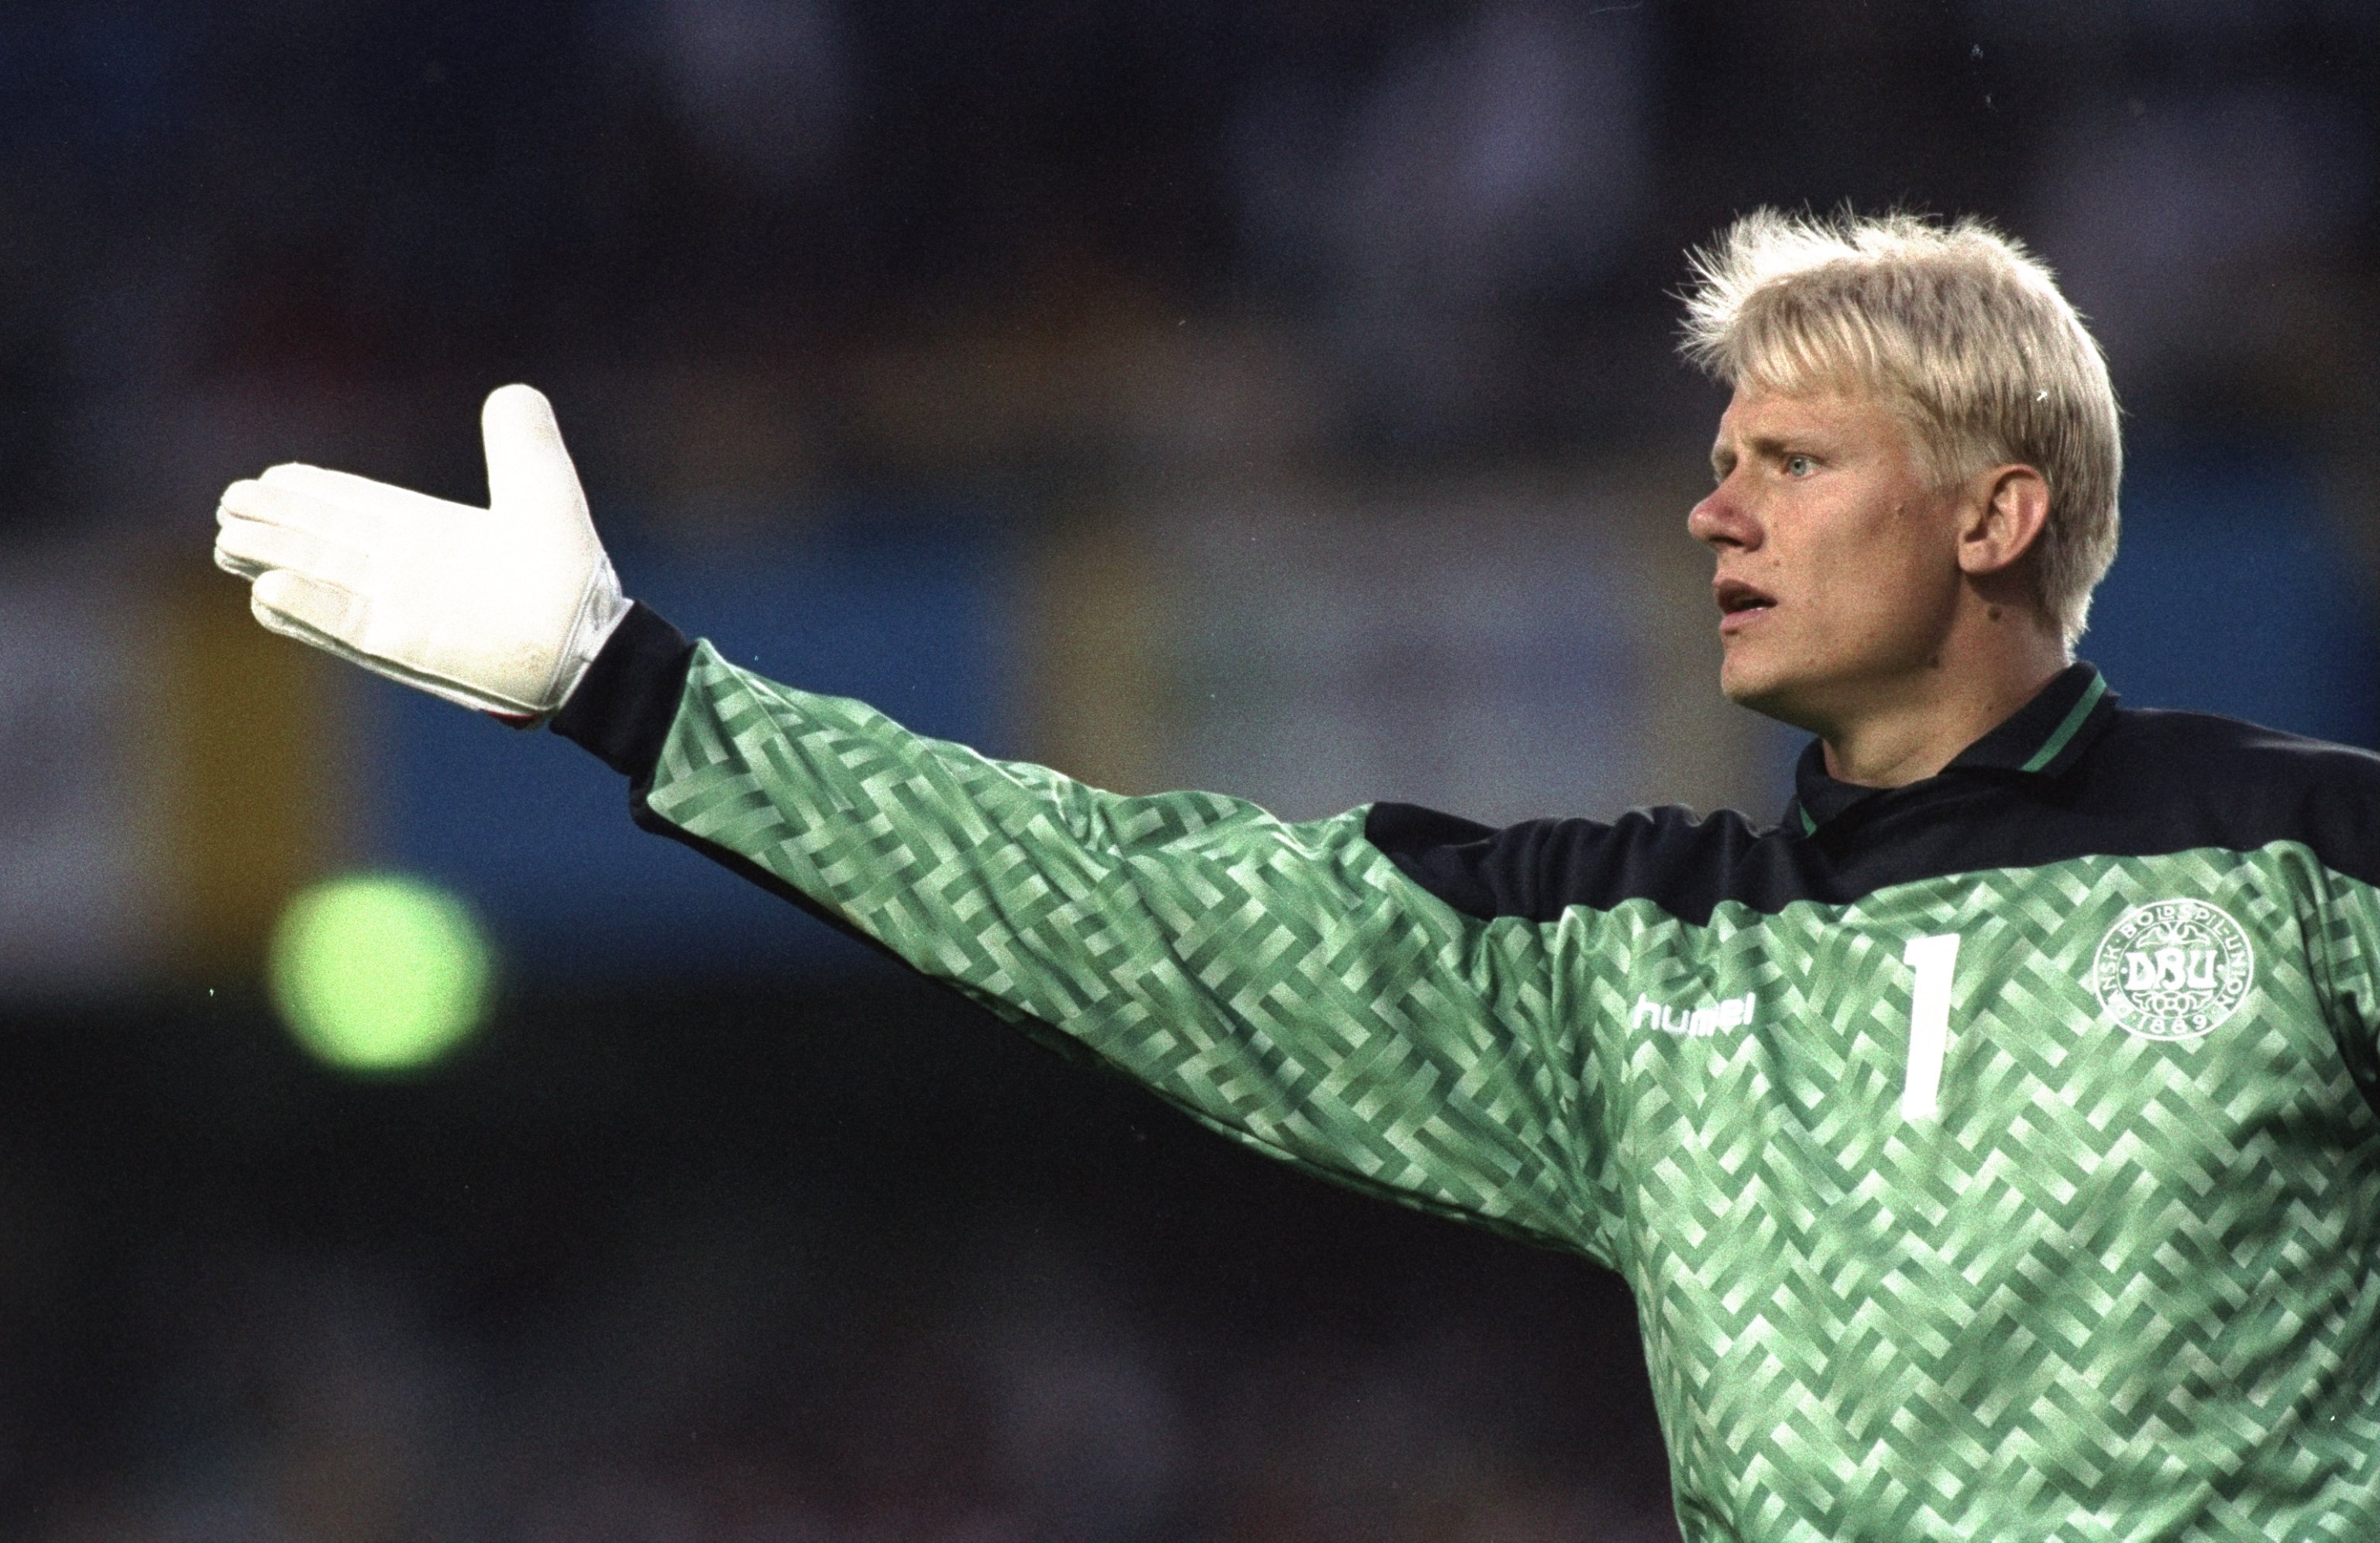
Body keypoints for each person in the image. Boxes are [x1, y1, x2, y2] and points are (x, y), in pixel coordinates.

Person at [212, 210, 2380, 1539]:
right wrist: (640, 695)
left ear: (1998, 517)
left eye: (1791, 467)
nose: (1714, 519)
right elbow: (1118, 900)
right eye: (1714, 469)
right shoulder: (1614, 968)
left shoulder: (2310, 865)